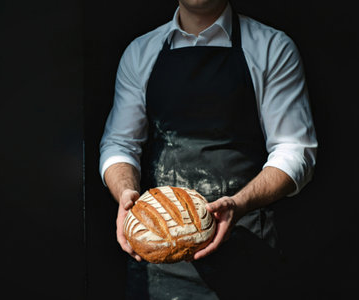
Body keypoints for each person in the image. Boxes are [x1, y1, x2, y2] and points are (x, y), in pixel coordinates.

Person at [99, 0, 317, 299]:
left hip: (248, 250)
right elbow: (120, 144)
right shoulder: (141, 52)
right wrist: (125, 193)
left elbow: (295, 149)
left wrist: (238, 204)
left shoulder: (271, 46)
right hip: (159, 261)